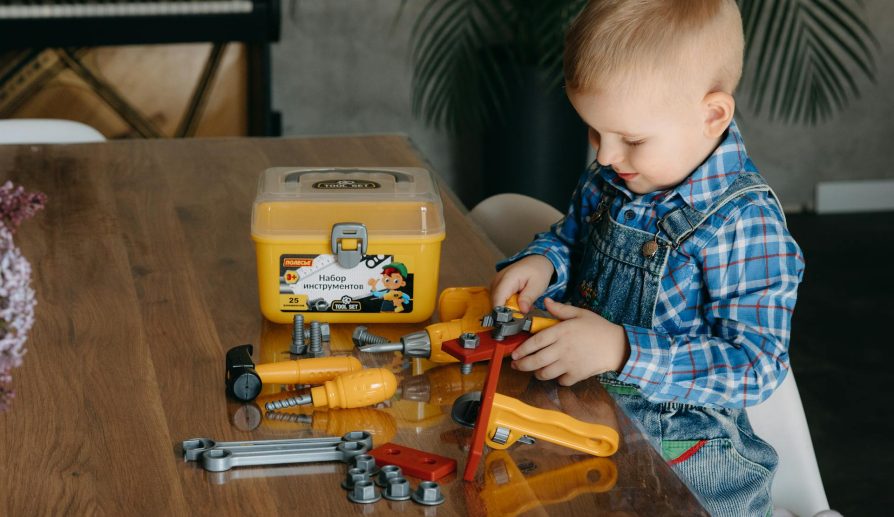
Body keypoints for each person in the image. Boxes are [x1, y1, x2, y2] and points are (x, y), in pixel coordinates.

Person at [490, 1, 805, 515]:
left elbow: (756, 365)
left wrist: (621, 350)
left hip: (690, 464)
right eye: (594, 131)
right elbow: (571, 239)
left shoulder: (744, 222)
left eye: (631, 139)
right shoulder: (616, 176)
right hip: (586, 424)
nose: (605, 156)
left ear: (712, 115)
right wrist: (544, 262)